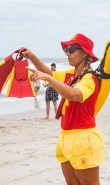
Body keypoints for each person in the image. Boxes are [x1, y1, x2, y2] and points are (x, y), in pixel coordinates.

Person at [24, 33, 105, 185]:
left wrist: (49, 79)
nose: (67, 53)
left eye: (72, 50)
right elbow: (49, 74)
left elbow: (74, 95)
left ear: (85, 53)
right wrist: (32, 56)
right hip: (66, 136)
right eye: (66, 50)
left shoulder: (90, 78)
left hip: (84, 137)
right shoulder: (70, 74)